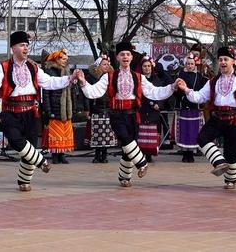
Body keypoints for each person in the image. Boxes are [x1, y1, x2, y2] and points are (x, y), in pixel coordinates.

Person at [0, 31, 80, 192]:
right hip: (11, 111)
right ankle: (42, 161)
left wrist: (70, 78)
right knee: (15, 141)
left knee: (31, 147)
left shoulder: (33, 66)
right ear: (13, 48)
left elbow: (49, 82)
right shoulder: (3, 67)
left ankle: (24, 181)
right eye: (22, 45)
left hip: (30, 112)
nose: (25, 48)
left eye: (27, 45)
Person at [75, 41, 179, 187]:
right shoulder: (109, 77)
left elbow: (154, 91)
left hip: (134, 115)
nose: (125, 57)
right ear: (117, 57)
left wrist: (172, 86)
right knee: (125, 139)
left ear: (131, 57)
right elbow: (94, 92)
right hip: (117, 115)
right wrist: (83, 82)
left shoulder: (138, 77)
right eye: (122, 54)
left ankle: (124, 177)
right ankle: (142, 163)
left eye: (128, 54)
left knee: (129, 147)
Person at [176, 46, 236, 190]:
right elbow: (200, 97)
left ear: (233, 61)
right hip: (218, 117)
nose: (222, 62)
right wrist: (186, 89)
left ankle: (230, 180)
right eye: (220, 59)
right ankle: (219, 162)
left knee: (231, 152)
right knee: (202, 138)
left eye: (226, 59)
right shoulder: (213, 81)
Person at [42, 49, 76, 164]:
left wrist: (73, 106)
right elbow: (46, 93)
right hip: (55, 106)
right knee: (55, 132)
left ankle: (62, 154)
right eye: (62, 59)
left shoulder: (67, 72)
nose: (65, 61)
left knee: (64, 132)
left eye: (66, 59)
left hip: (66, 107)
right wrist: (48, 109)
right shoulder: (49, 72)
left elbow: (72, 92)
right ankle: (55, 155)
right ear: (56, 59)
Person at [175, 45, 208, 163]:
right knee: (184, 129)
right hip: (184, 106)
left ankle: (192, 153)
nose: (189, 66)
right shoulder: (180, 75)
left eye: (191, 64)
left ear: (195, 65)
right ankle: (185, 153)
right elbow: (177, 91)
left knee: (194, 130)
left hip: (195, 107)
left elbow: (202, 90)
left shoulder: (200, 76)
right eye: (188, 64)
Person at [85, 55, 117, 163]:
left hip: (108, 108)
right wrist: (87, 109)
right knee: (97, 134)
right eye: (104, 64)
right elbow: (87, 94)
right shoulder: (91, 77)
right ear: (98, 65)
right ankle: (97, 155)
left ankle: (104, 155)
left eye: (108, 64)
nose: (106, 66)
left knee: (107, 134)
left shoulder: (112, 77)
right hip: (96, 108)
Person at [138, 56, 171, 162]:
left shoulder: (157, 80)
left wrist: (158, 104)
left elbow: (161, 93)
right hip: (142, 109)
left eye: (148, 66)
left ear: (152, 67)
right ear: (141, 67)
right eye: (144, 66)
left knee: (152, 132)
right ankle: (141, 154)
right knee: (142, 132)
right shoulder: (138, 80)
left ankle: (150, 154)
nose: (147, 68)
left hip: (154, 111)